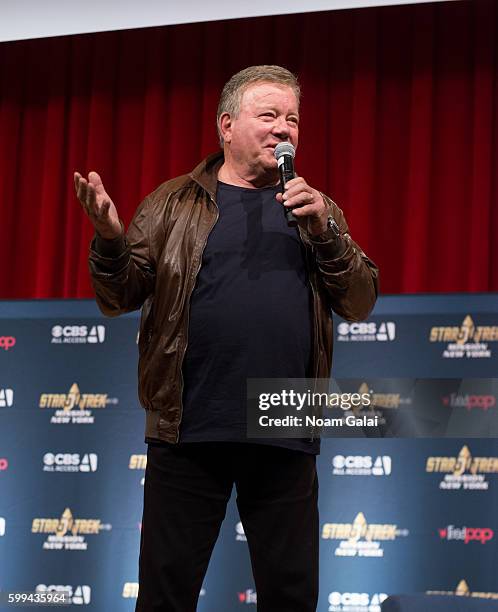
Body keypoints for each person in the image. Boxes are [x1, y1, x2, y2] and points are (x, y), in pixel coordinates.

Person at [74, 65, 378, 612]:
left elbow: (359, 302)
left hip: (288, 419)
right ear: (227, 125)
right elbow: (119, 296)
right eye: (269, 115)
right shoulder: (172, 202)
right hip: (189, 423)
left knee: (290, 597)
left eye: (293, 119)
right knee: (166, 595)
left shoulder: (315, 208)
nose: (284, 128)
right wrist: (111, 240)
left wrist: (326, 232)